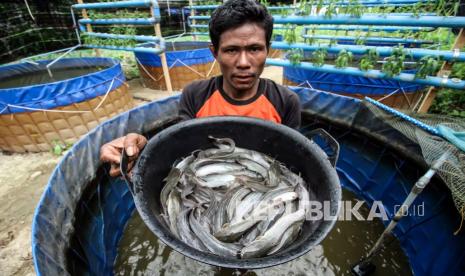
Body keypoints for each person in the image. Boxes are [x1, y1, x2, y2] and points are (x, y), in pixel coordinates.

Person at [100, 0, 301, 177]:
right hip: (206, 187)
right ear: (214, 52)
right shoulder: (195, 95)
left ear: (268, 49)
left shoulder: (284, 101)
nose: (243, 62)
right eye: (231, 50)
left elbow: (288, 163)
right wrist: (145, 150)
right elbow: (184, 150)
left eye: (255, 49)